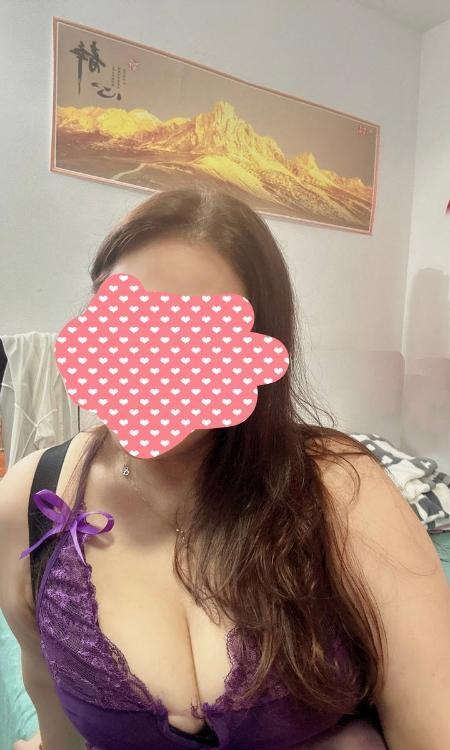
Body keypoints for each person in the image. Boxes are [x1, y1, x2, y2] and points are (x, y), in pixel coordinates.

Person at [2, 185, 449, 750]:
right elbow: (50, 704)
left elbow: (431, 722)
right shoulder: (29, 504)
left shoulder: (343, 489)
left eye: (198, 342)